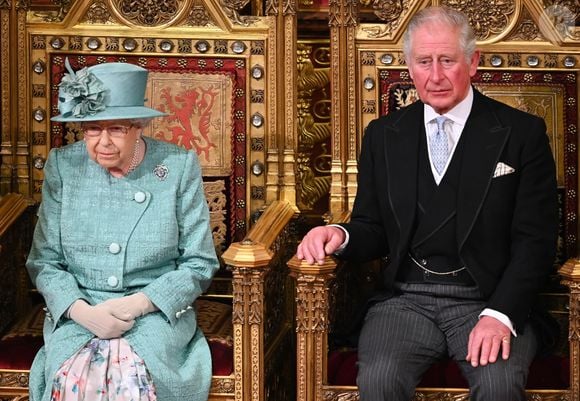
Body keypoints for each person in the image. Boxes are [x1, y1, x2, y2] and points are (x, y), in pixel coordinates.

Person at [297, 6, 557, 401]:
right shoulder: (384, 135)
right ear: (409, 66)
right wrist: (340, 233)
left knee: (500, 385)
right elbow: (373, 227)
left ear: (473, 62)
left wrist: (502, 314)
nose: (435, 76)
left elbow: (536, 242)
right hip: (406, 300)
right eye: (424, 62)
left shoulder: (521, 134)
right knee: (380, 380)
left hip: (485, 298)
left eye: (447, 60)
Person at [26, 60, 220, 401]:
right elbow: (45, 262)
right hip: (80, 311)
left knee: (129, 376)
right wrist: (80, 311)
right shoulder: (64, 166)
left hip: (153, 314)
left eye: (116, 129)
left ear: (138, 126)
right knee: (79, 376)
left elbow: (199, 262)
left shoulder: (176, 166)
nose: (103, 142)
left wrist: (139, 304)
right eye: (91, 129)